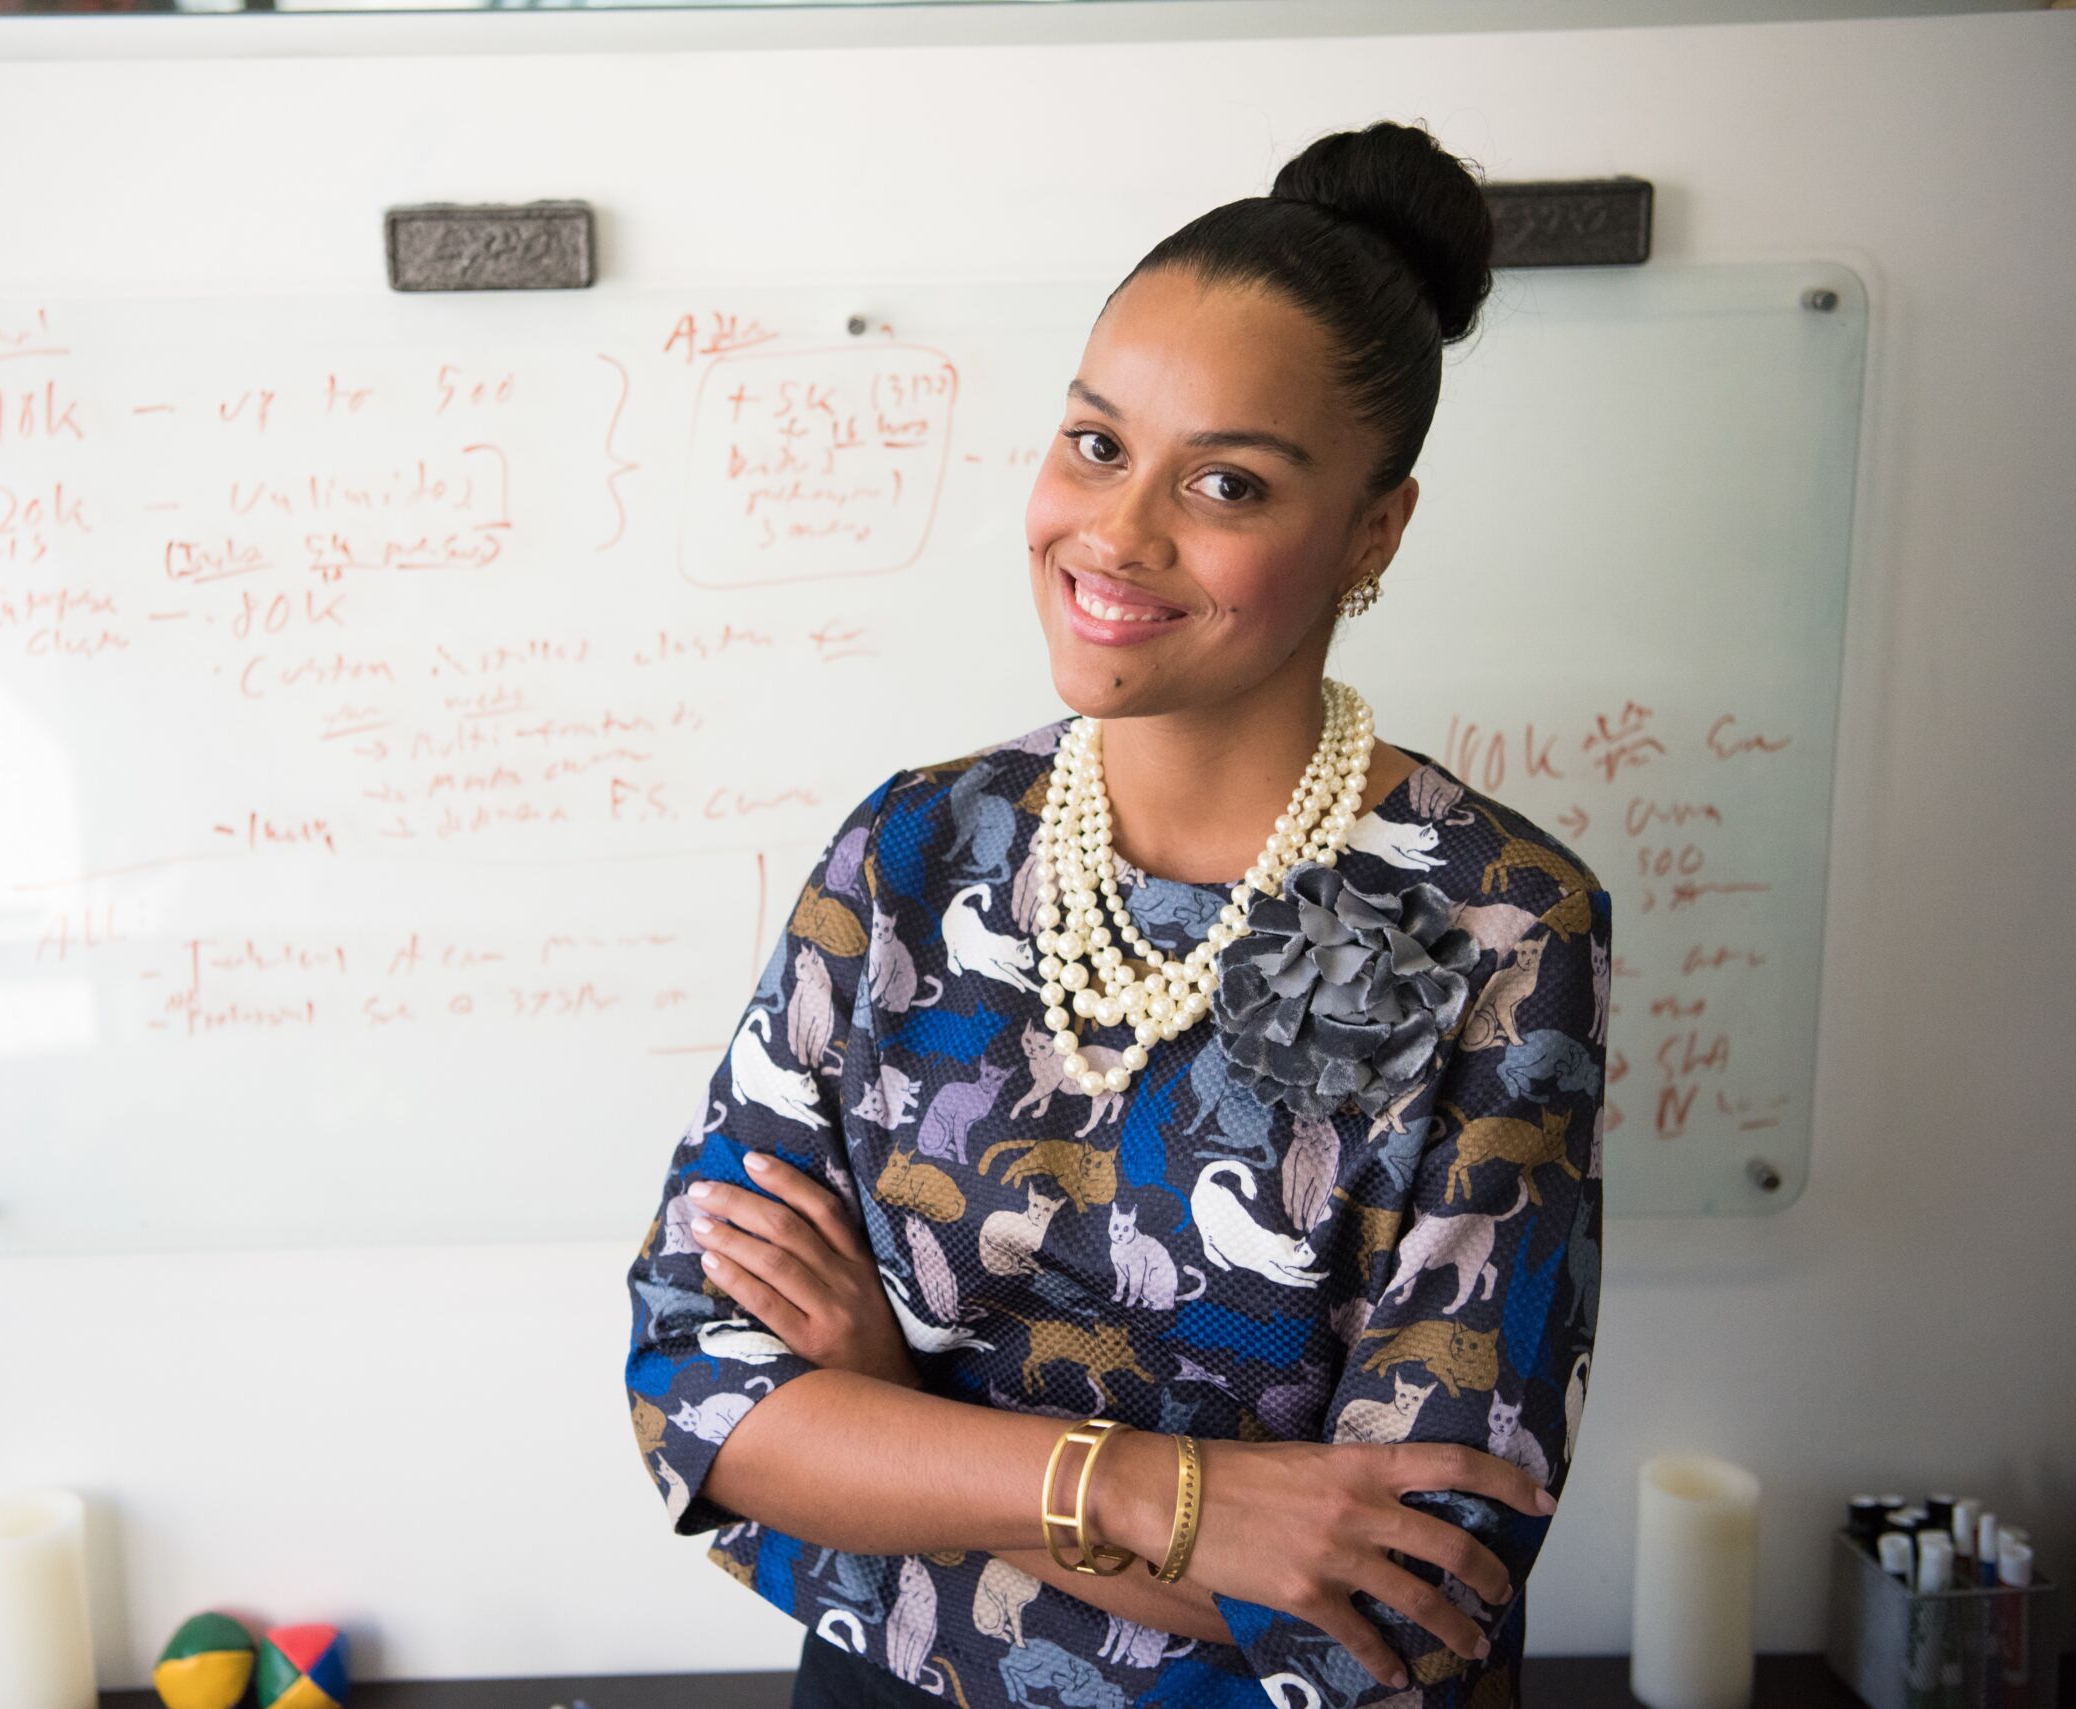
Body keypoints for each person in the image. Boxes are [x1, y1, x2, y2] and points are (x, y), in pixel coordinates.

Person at [620, 119, 1607, 1709]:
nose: (1119, 533)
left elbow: (1401, 1584)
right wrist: (1176, 1503)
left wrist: (899, 1427)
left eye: (1225, 481)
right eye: (1095, 443)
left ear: (1374, 532)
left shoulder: (1468, 924)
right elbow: (700, 1389)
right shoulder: (913, 855)